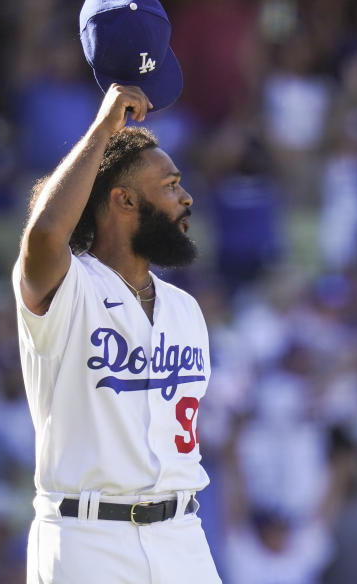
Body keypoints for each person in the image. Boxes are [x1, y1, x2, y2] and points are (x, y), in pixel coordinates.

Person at [14, 83, 221, 582]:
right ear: (125, 200)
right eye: (170, 185)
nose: (186, 197)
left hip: (182, 536)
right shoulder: (69, 288)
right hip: (88, 537)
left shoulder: (185, 309)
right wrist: (105, 129)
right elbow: (44, 235)